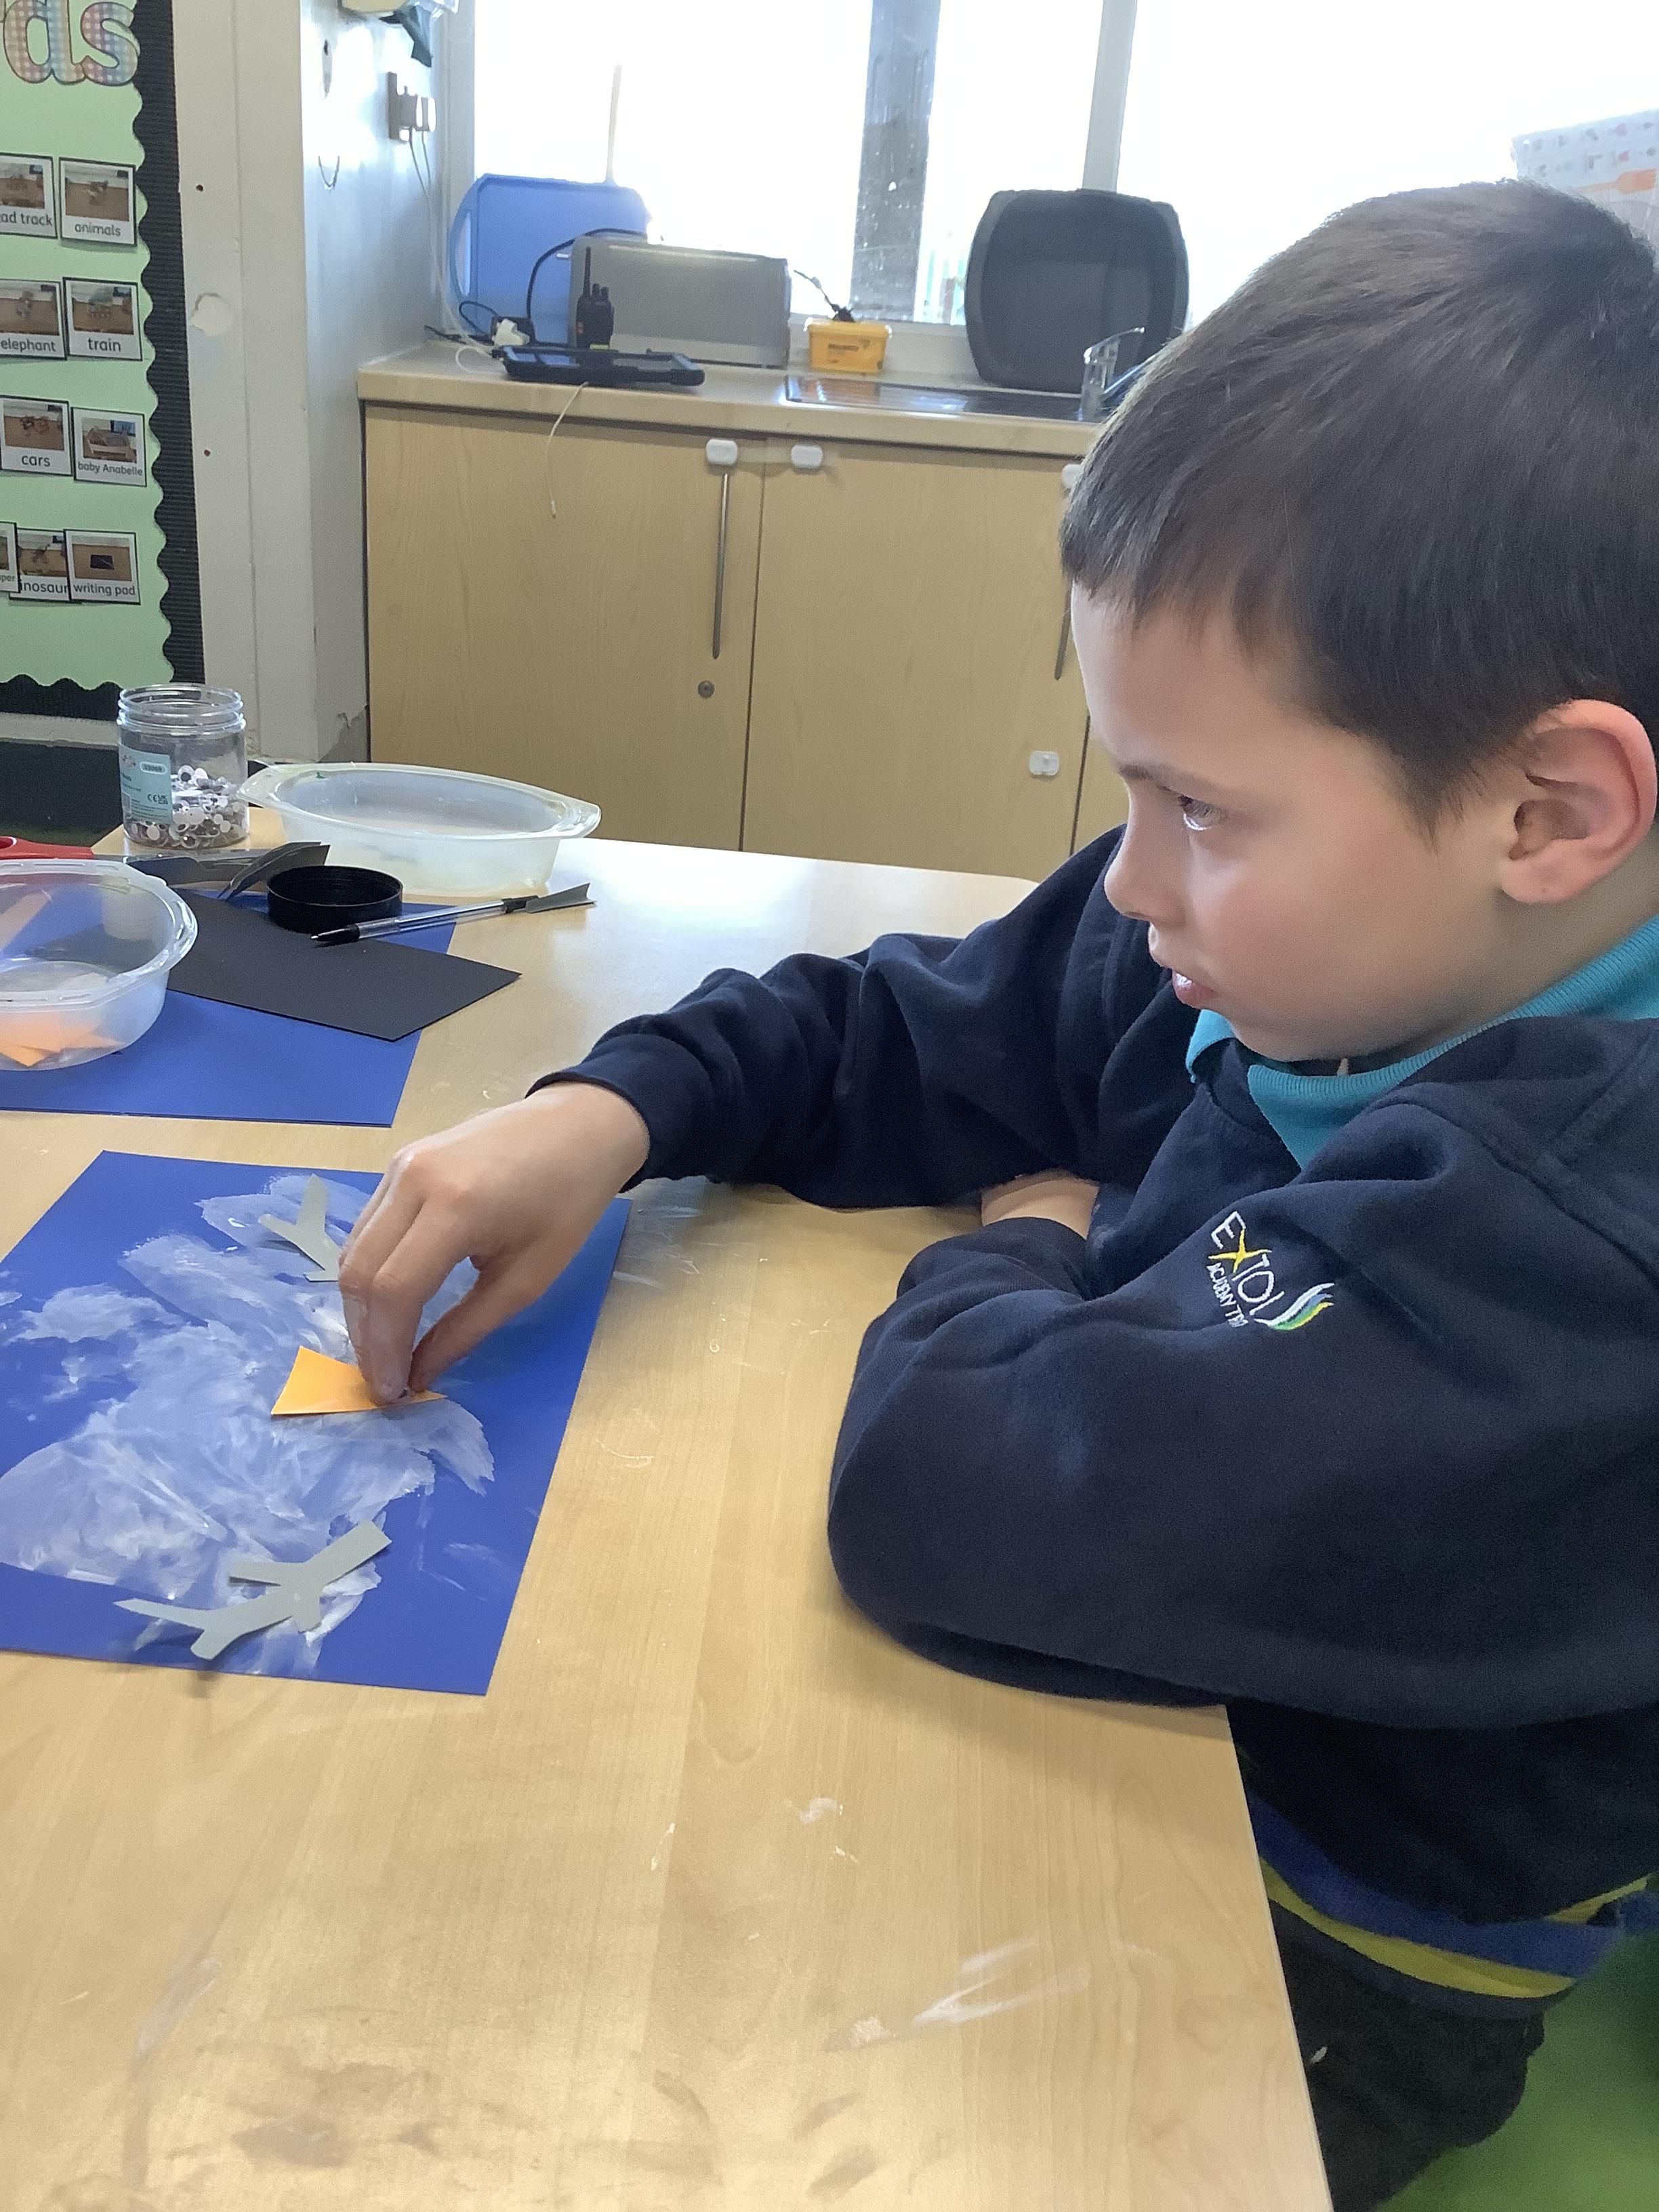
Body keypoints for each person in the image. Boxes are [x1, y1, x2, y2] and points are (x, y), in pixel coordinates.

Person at [341, 181, 1659, 2209]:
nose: (1130, 879)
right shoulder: (1292, 944)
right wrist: (613, 1112)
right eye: (1129, 784)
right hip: (1130, 1704)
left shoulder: (1575, 1245)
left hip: (1324, 1944)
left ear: (1546, 812)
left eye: (1200, 806)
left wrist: (1030, 1239)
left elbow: (962, 1487)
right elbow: (909, 1027)